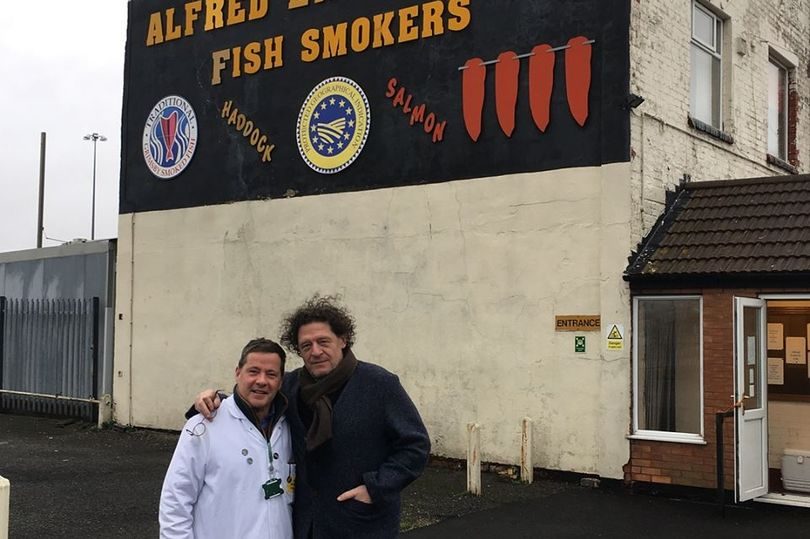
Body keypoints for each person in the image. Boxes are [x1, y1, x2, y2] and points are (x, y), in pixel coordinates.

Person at [194, 295, 430, 538]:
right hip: (307, 524)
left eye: (323, 342)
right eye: (306, 345)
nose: (315, 351)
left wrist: (376, 487)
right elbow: (253, 397)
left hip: (361, 522)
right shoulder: (290, 387)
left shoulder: (379, 385)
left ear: (343, 340)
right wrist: (215, 399)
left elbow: (415, 445)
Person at [160, 338, 294, 539]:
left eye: (271, 374)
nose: (261, 381)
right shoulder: (203, 426)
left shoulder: (290, 425)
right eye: (253, 371)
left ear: (281, 381)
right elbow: (175, 501)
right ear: (237, 372)